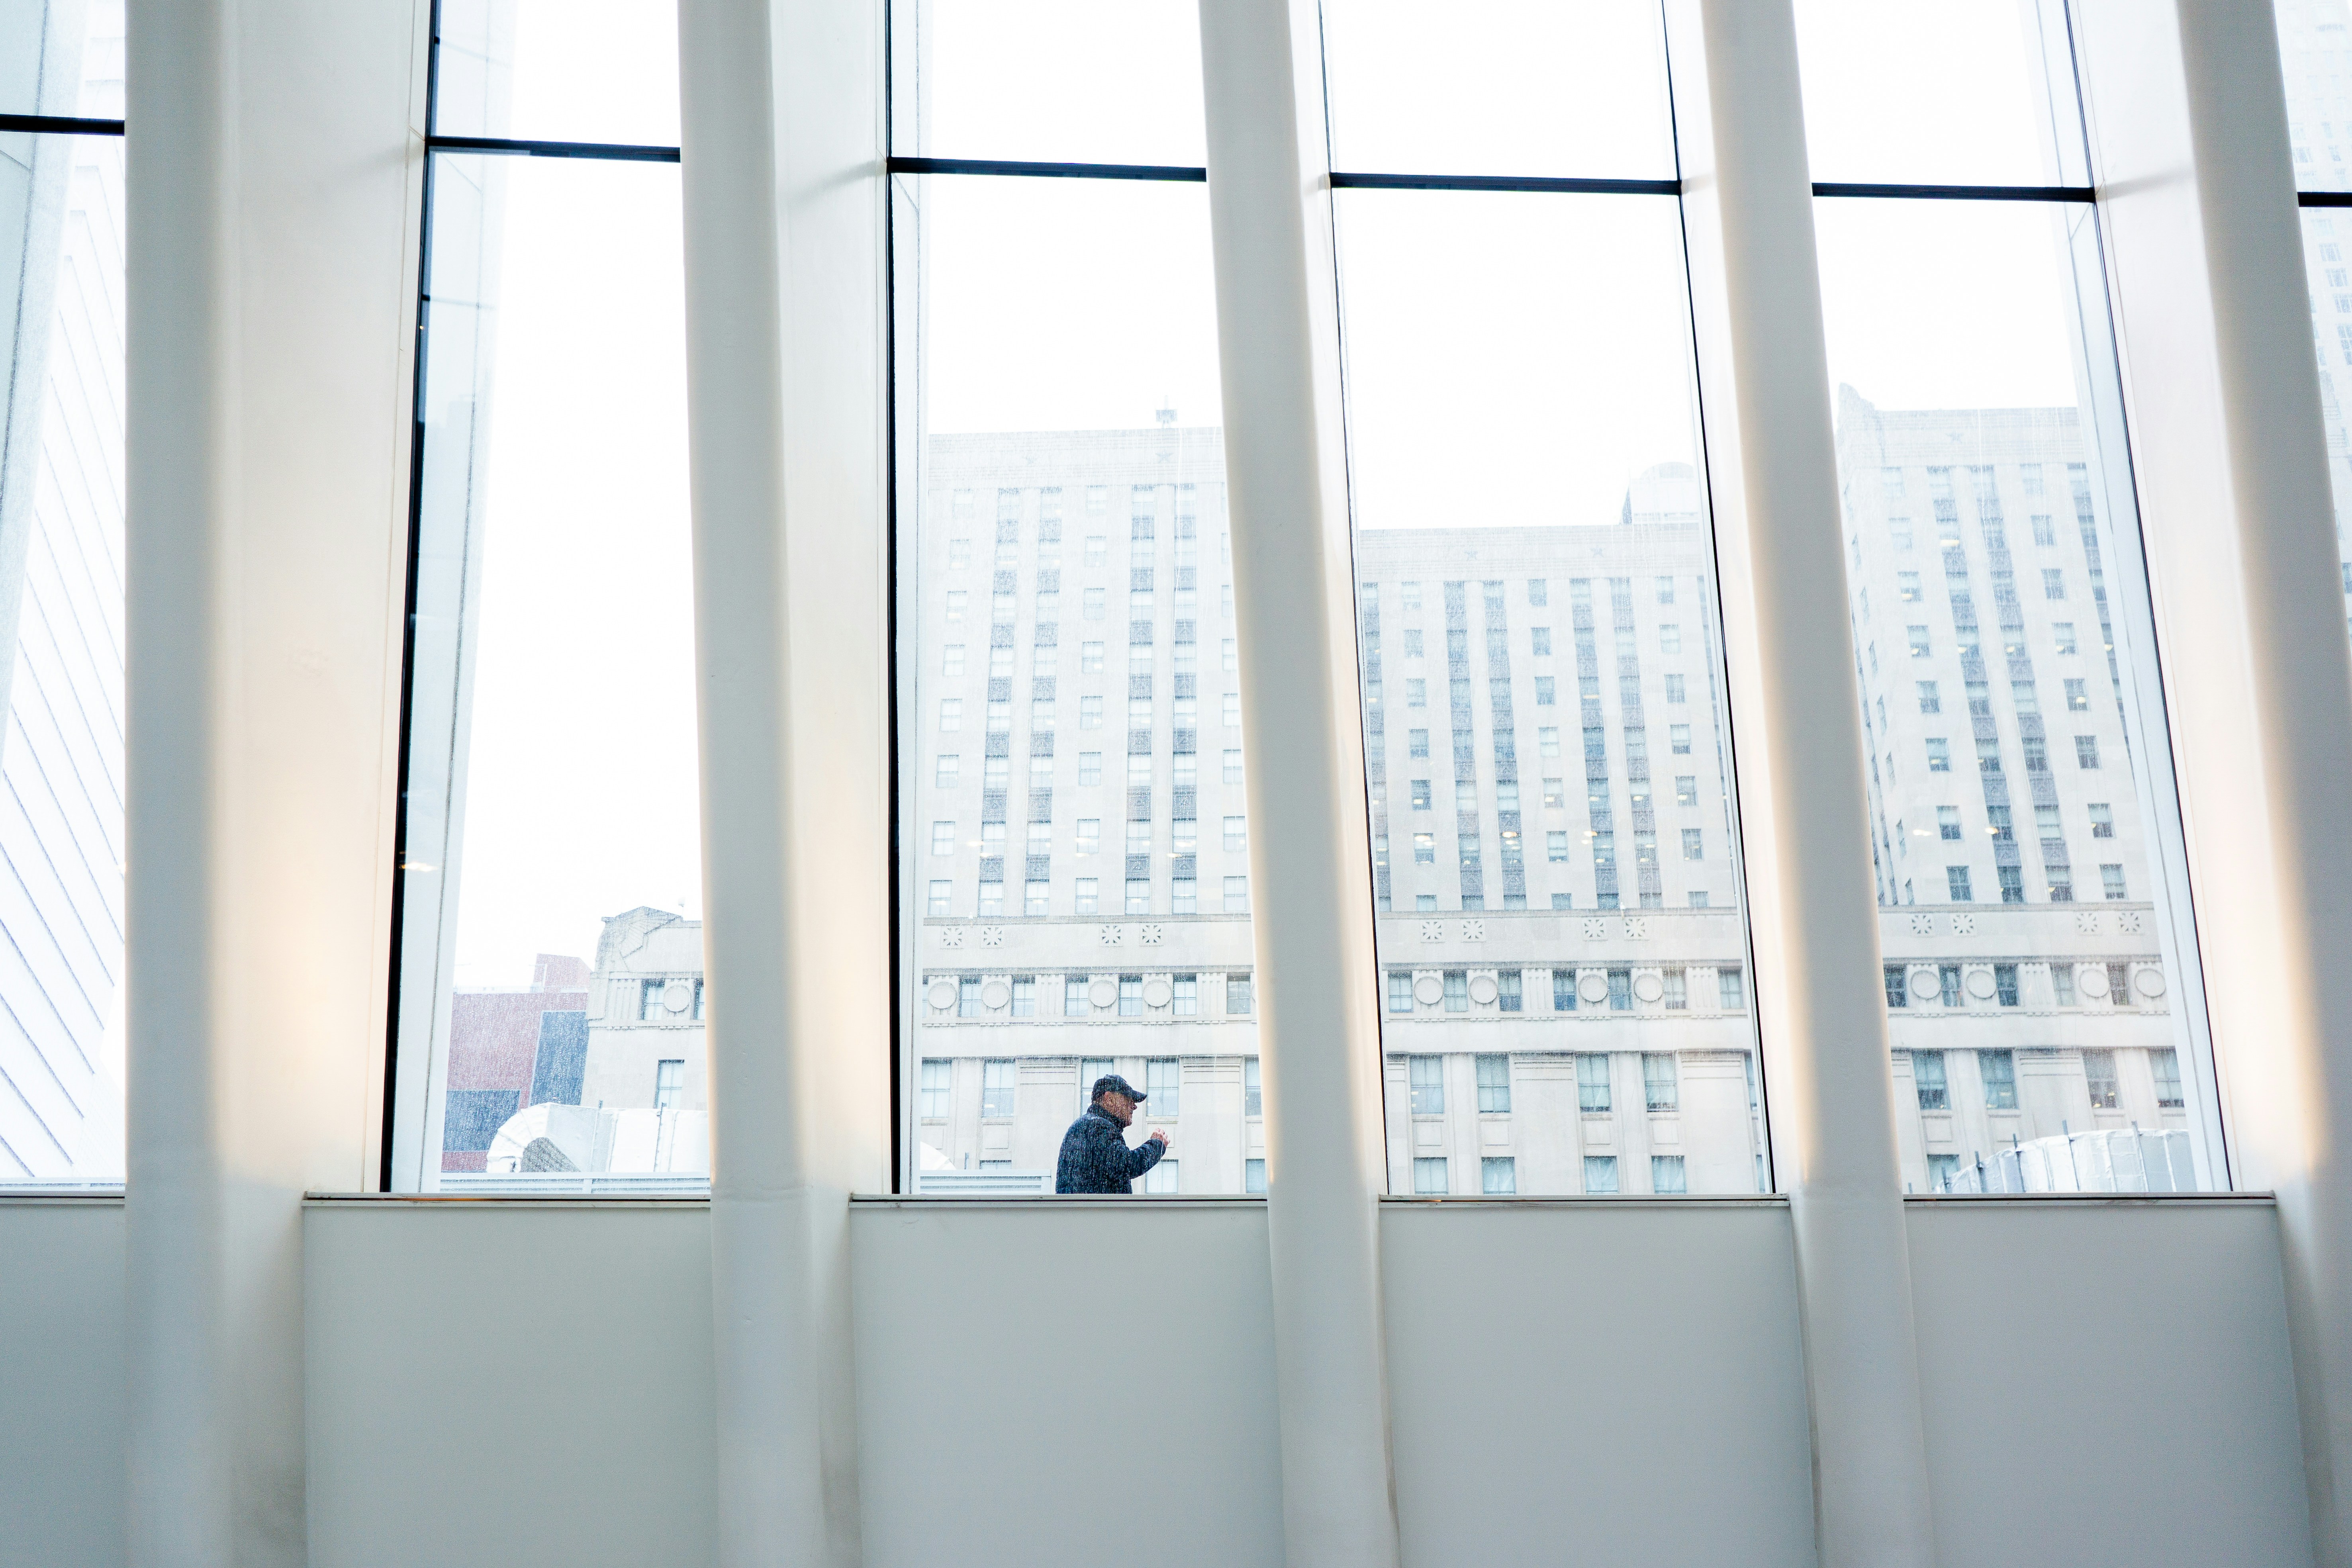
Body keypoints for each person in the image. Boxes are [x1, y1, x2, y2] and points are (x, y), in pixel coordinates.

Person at [1056, 1073, 1170, 1194]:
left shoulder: (1088, 1125)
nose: (1134, 1106)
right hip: (1099, 1212)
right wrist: (1156, 1145)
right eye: (1128, 1099)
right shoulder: (1098, 1126)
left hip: (1088, 1211)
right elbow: (1125, 1165)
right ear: (1109, 1098)